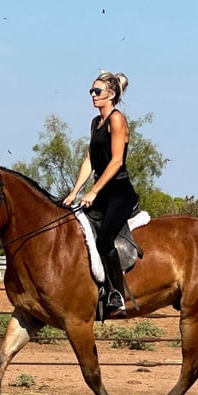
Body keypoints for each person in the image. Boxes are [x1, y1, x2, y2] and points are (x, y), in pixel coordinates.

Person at [63, 70, 138, 317]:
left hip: (119, 193)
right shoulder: (95, 123)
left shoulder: (117, 120)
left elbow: (116, 161)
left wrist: (93, 191)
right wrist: (75, 191)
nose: (93, 96)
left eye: (98, 92)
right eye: (91, 92)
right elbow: (90, 159)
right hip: (100, 192)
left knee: (104, 239)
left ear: (112, 94)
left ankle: (116, 294)